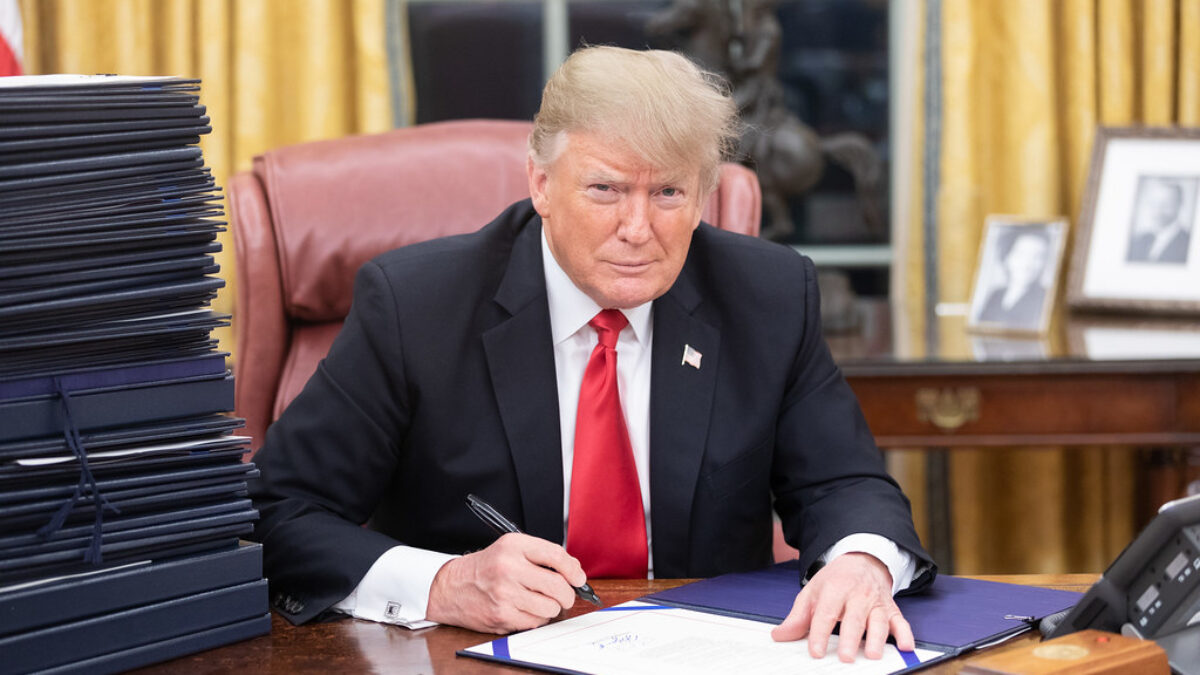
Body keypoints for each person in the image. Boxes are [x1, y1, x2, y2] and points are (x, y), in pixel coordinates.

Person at [248, 46, 934, 664]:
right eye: (605, 189)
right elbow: (281, 512)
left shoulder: (769, 295)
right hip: (471, 656)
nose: (638, 229)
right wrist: (442, 582)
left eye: (668, 192)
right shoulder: (416, 305)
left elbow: (845, 485)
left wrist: (860, 563)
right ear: (542, 184)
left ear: (703, 198)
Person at [975, 228, 1051, 331]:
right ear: (1007, 257)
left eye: (1037, 257)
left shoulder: (1045, 298)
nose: (1028, 264)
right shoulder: (996, 295)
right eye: (1022, 254)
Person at [1127, 178, 1193, 265]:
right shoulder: (1139, 240)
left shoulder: (1188, 242)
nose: (1158, 210)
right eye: (1155, 203)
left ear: (1179, 204)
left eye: (1167, 203)